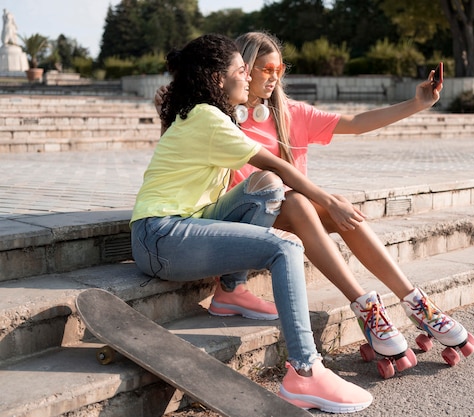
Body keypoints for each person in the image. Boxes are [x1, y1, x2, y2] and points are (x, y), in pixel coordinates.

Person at [155, 31, 474, 370]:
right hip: (243, 220)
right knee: (296, 202)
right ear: (243, 70)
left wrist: (417, 104)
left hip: (291, 212)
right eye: (265, 69)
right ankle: (365, 309)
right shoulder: (219, 118)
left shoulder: (288, 113)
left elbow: (354, 123)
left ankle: (416, 303)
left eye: (280, 68)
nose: (274, 77)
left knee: (333, 207)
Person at [132, 33, 373, 413]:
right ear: (217, 79)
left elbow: (271, 176)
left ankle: (230, 289)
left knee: (266, 187)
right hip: (161, 236)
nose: (248, 78)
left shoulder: (205, 114)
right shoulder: (208, 118)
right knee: (285, 244)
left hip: (185, 226)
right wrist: (328, 201)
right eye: (241, 71)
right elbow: (276, 161)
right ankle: (305, 373)